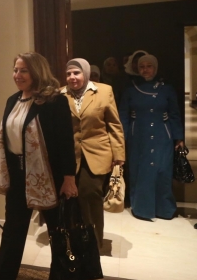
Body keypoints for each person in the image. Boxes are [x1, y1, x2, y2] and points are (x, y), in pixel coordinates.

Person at [0, 52, 78, 280]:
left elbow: (65, 142)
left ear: (37, 72)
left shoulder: (54, 101)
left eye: (24, 71)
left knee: (57, 229)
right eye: (15, 70)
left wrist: (69, 178)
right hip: (18, 175)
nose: (17, 75)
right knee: (12, 232)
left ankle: (63, 275)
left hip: (49, 175)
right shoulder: (12, 100)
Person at [61, 58, 125, 249]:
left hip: (98, 153)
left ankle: (94, 242)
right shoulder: (60, 94)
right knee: (71, 198)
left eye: (76, 73)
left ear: (86, 73)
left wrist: (119, 155)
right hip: (70, 155)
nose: (72, 77)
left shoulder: (104, 91)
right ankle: (75, 239)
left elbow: (114, 124)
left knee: (91, 194)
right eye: (69, 74)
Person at [118, 54, 184, 220]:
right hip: (138, 136)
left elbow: (174, 114)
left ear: (155, 68)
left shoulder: (166, 88)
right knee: (141, 171)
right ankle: (142, 209)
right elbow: (123, 115)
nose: (145, 70)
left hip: (163, 135)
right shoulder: (130, 89)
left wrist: (178, 137)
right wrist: (122, 138)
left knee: (162, 171)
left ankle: (164, 209)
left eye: (149, 66)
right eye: (142, 67)